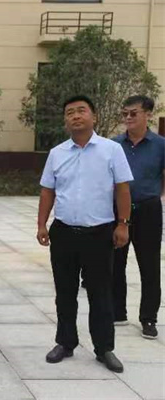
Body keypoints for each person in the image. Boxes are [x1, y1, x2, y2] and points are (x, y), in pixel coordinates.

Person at [37, 95, 133, 373]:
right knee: (64, 291)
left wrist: (123, 224)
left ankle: (104, 348)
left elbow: (122, 189)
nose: (76, 116)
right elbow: (47, 191)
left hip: (99, 234)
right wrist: (42, 224)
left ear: (94, 116)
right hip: (64, 232)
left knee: (101, 293)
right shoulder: (57, 153)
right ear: (65, 120)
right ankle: (65, 342)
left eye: (81, 111)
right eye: (70, 112)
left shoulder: (111, 150)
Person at [112, 95, 164, 339]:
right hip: (117, 210)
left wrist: (154, 195)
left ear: (148, 114)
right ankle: (117, 311)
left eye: (133, 113)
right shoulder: (114, 145)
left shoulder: (160, 145)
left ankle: (148, 318)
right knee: (115, 262)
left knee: (150, 265)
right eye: (125, 114)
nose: (128, 118)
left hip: (148, 210)